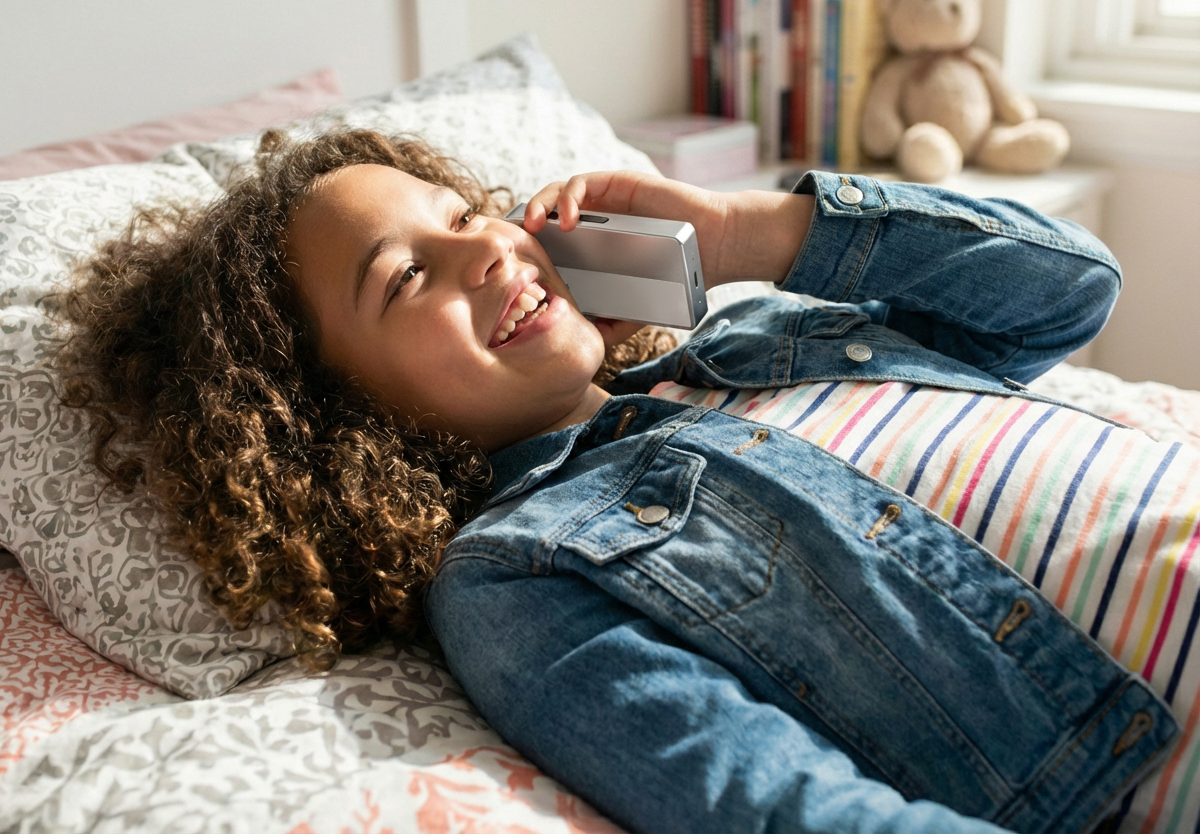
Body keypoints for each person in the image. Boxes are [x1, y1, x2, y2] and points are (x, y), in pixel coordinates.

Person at [55, 129, 1178, 833]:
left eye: (459, 217)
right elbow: (780, 807)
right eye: (406, 280)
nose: (486, 253)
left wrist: (750, 233)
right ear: (343, 421)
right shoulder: (519, 575)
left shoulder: (758, 332)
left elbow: (1069, 292)